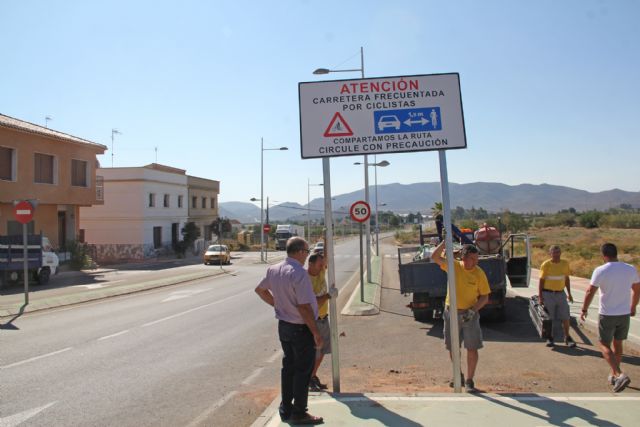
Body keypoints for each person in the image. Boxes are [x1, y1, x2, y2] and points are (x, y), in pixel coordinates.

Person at [255, 237, 324, 424]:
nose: (307, 254)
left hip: (284, 326)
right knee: (303, 371)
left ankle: (286, 407)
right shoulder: (299, 273)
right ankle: (300, 412)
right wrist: (316, 332)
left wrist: (278, 305)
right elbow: (304, 307)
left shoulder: (274, 269)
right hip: (300, 328)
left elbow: (260, 290)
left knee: (289, 368)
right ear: (300, 251)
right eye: (307, 251)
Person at [580, 243, 640, 393]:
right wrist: (633, 307)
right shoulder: (630, 269)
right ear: (616, 253)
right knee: (618, 344)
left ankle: (619, 374)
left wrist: (584, 309)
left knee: (603, 344)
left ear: (603, 255)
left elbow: (590, 291)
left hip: (607, 314)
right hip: (624, 313)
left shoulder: (601, 270)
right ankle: (614, 374)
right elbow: (637, 290)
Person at [431, 241, 490, 393]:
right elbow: (435, 257)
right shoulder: (454, 266)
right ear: (464, 257)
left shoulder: (479, 273)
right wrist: (444, 242)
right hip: (451, 312)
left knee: (472, 347)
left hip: (470, 314)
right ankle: (458, 375)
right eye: (473, 259)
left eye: (477, 259)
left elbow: (485, 296)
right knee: (453, 346)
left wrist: (473, 310)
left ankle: (470, 380)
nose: (476, 262)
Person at [538, 245, 576, 347]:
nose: (556, 254)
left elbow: (567, 279)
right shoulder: (546, 264)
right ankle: (550, 338)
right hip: (548, 294)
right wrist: (540, 296)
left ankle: (567, 337)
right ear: (550, 254)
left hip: (561, 294)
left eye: (558, 252)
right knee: (550, 318)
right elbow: (541, 281)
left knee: (565, 317)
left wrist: (569, 294)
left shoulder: (565, 264)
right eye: (554, 252)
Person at [307, 250, 331, 391]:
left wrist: (326, 237)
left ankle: (312, 375)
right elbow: (314, 303)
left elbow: (326, 259)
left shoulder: (321, 272)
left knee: (321, 352)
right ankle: (309, 377)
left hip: (323, 318)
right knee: (314, 352)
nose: (323, 266)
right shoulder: (306, 279)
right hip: (313, 320)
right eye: (319, 263)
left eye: (323, 264)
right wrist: (328, 295)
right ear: (310, 264)